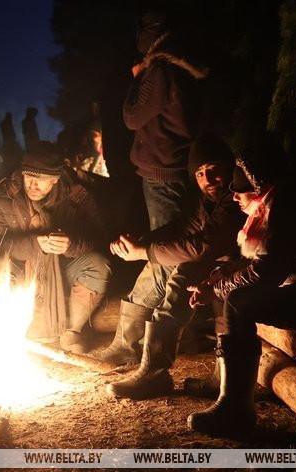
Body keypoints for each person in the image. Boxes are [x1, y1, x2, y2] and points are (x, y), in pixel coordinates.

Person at [185, 139, 296, 437]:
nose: (233, 196)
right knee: (226, 289)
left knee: (237, 300)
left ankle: (236, 409)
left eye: (240, 188)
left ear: (259, 186)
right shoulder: (269, 207)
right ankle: (224, 381)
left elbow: (266, 270)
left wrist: (220, 288)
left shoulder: (284, 208)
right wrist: (220, 275)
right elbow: (255, 260)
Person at [102, 135, 246, 398]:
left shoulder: (235, 199)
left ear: (228, 168)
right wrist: (141, 243)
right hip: (226, 263)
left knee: (185, 272)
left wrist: (144, 252)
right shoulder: (205, 203)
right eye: (201, 173)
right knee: (170, 267)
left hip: (247, 266)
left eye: (214, 170)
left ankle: (159, 373)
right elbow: (180, 229)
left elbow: (204, 247)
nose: (208, 179)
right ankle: (144, 360)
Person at [0, 141, 111, 353]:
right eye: (28, 178)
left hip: (65, 270)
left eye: (40, 181)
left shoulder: (76, 196)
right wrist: (34, 244)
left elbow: (98, 236)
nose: (32, 185)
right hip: (18, 271)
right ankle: (13, 329)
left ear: (55, 180)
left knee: (97, 264)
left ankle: (72, 332)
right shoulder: (3, 198)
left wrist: (71, 244)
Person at [124, 12, 209, 321]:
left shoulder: (160, 70)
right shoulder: (182, 64)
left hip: (161, 171)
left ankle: (145, 333)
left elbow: (132, 117)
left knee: (165, 253)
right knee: (169, 248)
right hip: (173, 165)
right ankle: (149, 329)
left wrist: (136, 80)